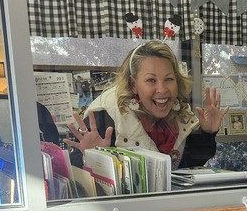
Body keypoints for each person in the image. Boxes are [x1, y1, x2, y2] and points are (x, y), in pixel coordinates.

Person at [64, 41, 227, 169]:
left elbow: (191, 165)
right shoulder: (105, 115)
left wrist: (206, 133)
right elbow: (77, 174)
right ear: (133, 84)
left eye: (169, 79)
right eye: (151, 80)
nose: (162, 89)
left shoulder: (180, 113)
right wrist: (90, 157)